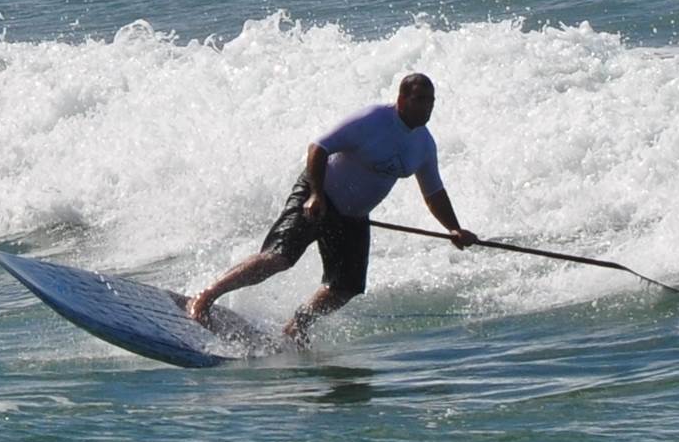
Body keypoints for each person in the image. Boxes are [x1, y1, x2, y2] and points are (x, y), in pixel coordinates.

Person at [188, 73, 477, 340]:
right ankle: (205, 297)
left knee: (346, 288)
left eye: (431, 101)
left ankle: (295, 328)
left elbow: (434, 193)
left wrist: (454, 228)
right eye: (420, 100)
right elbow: (319, 147)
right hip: (318, 197)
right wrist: (316, 195)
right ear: (402, 100)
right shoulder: (373, 120)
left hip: (353, 217)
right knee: (279, 258)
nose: (427, 107)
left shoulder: (424, 145)